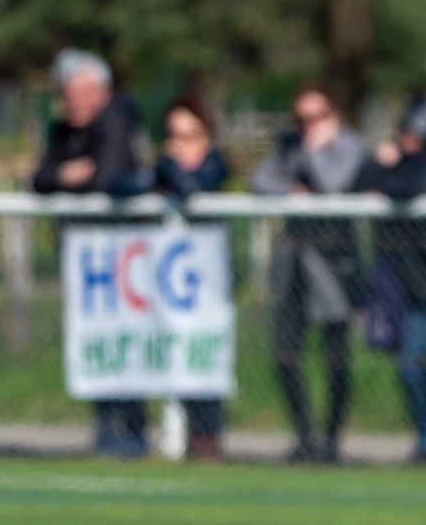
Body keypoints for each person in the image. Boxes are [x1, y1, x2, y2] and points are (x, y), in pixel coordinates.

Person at [33, 48, 145, 456]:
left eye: (83, 92)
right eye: (69, 92)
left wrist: (75, 176)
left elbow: (105, 179)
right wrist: (67, 173)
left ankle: (133, 429)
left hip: (121, 260)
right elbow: (40, 177)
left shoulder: (115, 124)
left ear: (103, 92)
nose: (74, 100)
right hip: (85, 262)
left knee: (124, 343)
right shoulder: (62, 131)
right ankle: (106, 426)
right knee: (96, 343)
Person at [109, 93, 232, 459]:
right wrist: (162, 170)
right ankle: (140, 432)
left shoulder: (214, 165)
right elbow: (119, 185)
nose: (181, 145)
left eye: (190, 135)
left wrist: (168, 169)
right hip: (158, 282)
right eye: (173, 136)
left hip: (203, 285)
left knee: (200, 351)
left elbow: (193, 188)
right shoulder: (162, 168)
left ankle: (205, 434)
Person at [254, 82, 368, 463]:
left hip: (334, 264)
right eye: (301, 119)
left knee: (335, 354)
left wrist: (314, 153)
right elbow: (261, 181)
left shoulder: (349, 145)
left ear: (332, 114)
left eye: (316, 117)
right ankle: (304, 435)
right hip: (294, 259)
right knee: (285, 351)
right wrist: (291, 187)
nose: (308, 125)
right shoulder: (289, 143)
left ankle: (332, 439)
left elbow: (335, 184)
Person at [356, 100, 426, 463]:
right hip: (418, 294)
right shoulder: (395, 163)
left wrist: (399, 164)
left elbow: (408, 186)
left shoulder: (413, 169)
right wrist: (379, 161)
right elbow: (361, 184)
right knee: (412, 366)